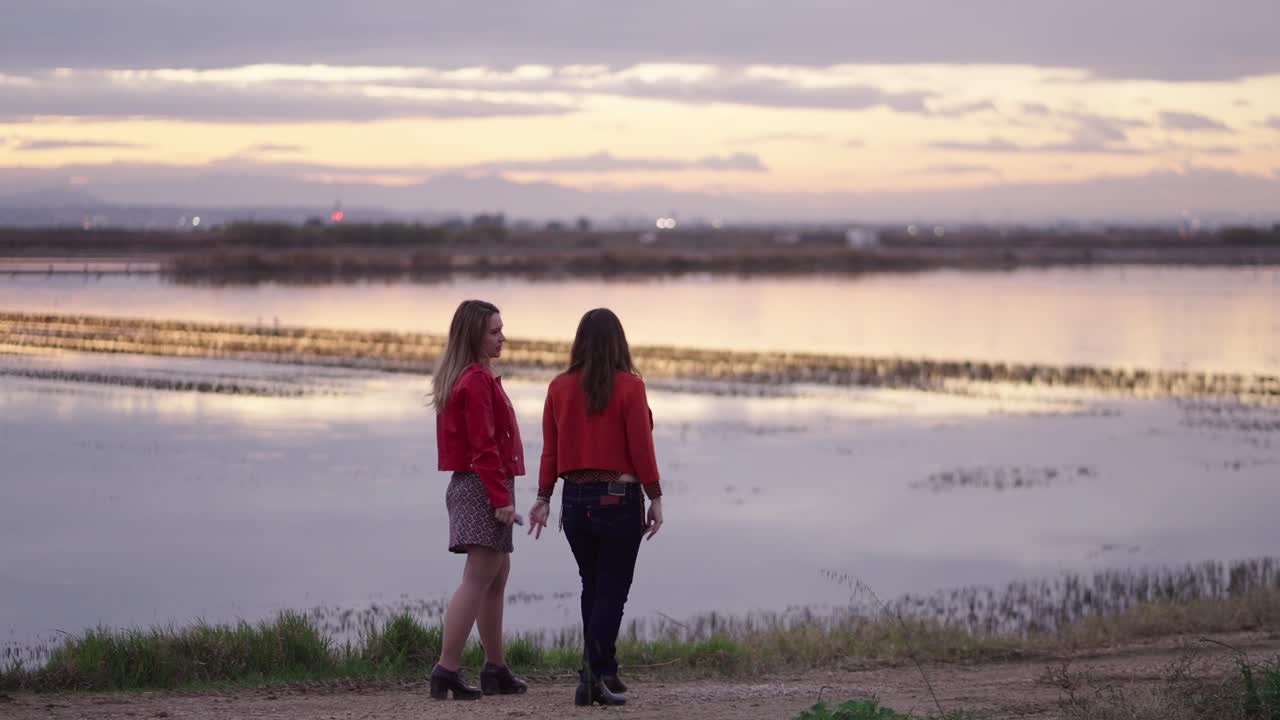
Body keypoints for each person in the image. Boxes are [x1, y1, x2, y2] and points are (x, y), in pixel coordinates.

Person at [527, 308, 664, 707]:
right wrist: (655, 497)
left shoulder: (558, 387)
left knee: (594, 586)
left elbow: (550, 449)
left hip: (574, 502)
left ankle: (604, 669)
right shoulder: (630, 388)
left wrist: (543, 497)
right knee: (612, 592)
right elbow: (642, 447)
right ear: (620, 342)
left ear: (579, 342)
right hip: (617, 500)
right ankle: (591, 673)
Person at [429, 299, 528, 700]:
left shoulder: (473, 377)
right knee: (477, 579)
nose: (503, 337)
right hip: (481, 486)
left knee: (496, 576)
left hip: (479, 484)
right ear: (474, 335)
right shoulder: (475, 381)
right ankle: (446, 670)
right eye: (494, 331)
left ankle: (495, 667)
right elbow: (483, 445)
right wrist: (500, 498)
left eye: (502, 329)